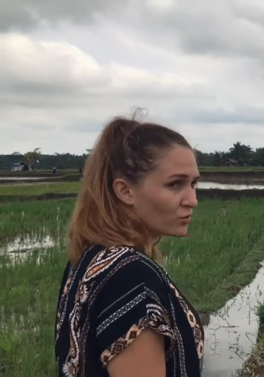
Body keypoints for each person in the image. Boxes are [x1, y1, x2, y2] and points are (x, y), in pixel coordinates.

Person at [54, 115, 203, 376]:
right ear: (125, 191)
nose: (192, 200)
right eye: (175, 184)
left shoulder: (90, 257)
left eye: (193, 184)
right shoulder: (131, 277)